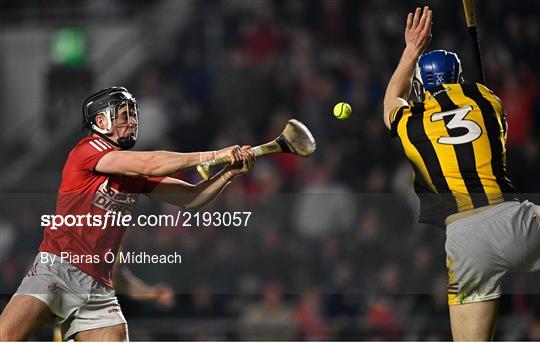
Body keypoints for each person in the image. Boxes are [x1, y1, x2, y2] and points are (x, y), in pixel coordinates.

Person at [0, 86, 256, 341]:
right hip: (58, 269)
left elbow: (192, 198)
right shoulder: (87, 150)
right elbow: (149, 163)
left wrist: (227, 174)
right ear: (101, 121)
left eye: (133, 114)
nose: (132, 121)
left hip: (99, 287)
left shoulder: (133, 175)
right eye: (124, 115)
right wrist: (214, 155)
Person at [383, 6, 540, 341]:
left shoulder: (412, 122)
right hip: (513, 219)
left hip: (466, 242)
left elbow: (392, 100)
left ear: (422, 87)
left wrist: (410, 52)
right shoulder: (488, 100)